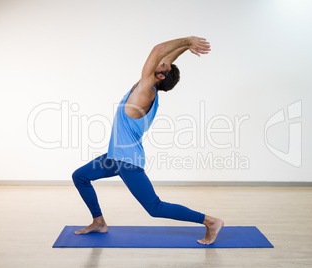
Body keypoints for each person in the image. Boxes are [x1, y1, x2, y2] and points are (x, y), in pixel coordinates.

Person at [72, 36, 224, 245]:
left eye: (161, 65)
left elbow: (158, 49)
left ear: (160, 76)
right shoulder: (147, 88)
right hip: (115, 157)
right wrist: (185, 48)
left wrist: (188, 39)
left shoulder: (144, 91)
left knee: (155, 207)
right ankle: (99, 222)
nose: (159, 61)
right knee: (80, 176)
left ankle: (210, 221)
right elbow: (166, 56)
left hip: (127, 162)